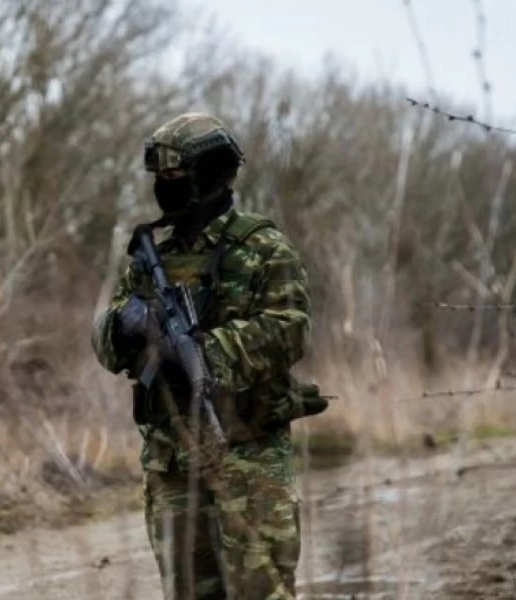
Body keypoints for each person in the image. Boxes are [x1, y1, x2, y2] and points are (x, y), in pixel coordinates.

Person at [91, 112, 323, 599]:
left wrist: (202, 353)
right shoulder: (149, 255)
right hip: (171, 462)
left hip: (248, 458)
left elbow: (289, 331)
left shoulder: (263, 248)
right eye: (159, 174)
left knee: (262, 592)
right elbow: (107, 345)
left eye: (175, 172)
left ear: (210, 172)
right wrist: (132, 326)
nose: (164, 182)